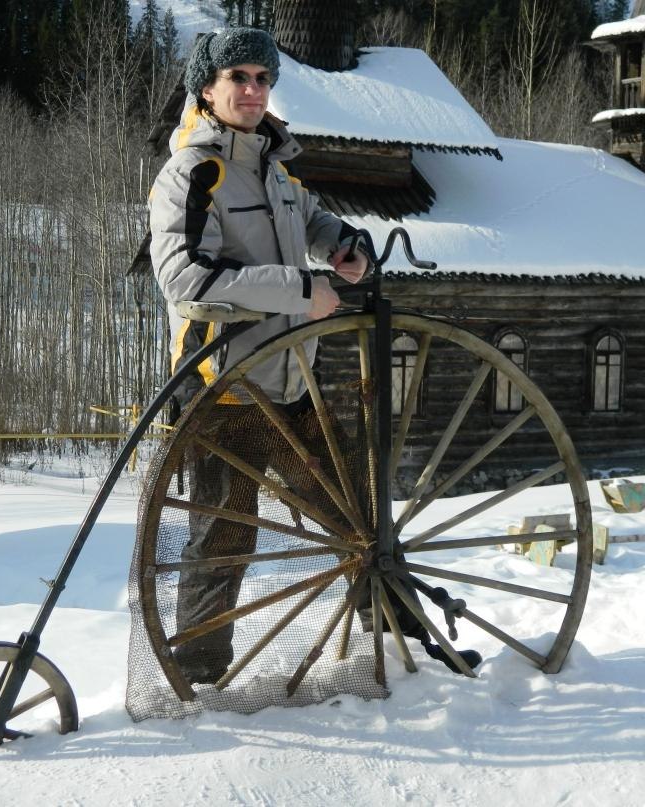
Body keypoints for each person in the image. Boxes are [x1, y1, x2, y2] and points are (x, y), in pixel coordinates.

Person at [148, 27, 480, 684]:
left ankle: (399, 632)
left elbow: (314, 220)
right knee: (223, 537)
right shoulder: (192, 173)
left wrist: (343, 246)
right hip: (226, 387)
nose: (252, 89)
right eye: (238, 77)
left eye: (262, 79)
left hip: (290, 380)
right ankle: (200, 672)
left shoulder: (274, 167)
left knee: (355, 513)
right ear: (207, 88)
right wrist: (302, 291)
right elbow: (188, 282)